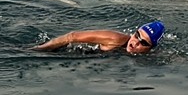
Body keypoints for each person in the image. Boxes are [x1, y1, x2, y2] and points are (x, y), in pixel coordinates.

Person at [32, 20, 165, 54]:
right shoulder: (116, 39)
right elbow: (72, 36)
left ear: (150, 48)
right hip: (62, 52)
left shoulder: (149, 55)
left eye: (143, 42)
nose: (134, 42)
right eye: (136, 35)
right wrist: (39, 50)